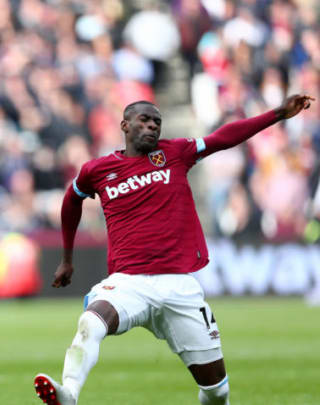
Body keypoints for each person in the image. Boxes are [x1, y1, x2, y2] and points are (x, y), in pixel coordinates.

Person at [33, 94, 314, 405]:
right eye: (145, 120)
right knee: (91, 321)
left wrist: (277, 114)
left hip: (179, 285)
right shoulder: (97, 170)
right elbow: (71, 200)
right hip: (129, 282)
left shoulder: (176, 153)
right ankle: (69, 393)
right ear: (125, 125)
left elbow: (223, 138)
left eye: (157, 122)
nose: (153, 126)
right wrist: (67, 259)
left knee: (217, 392)